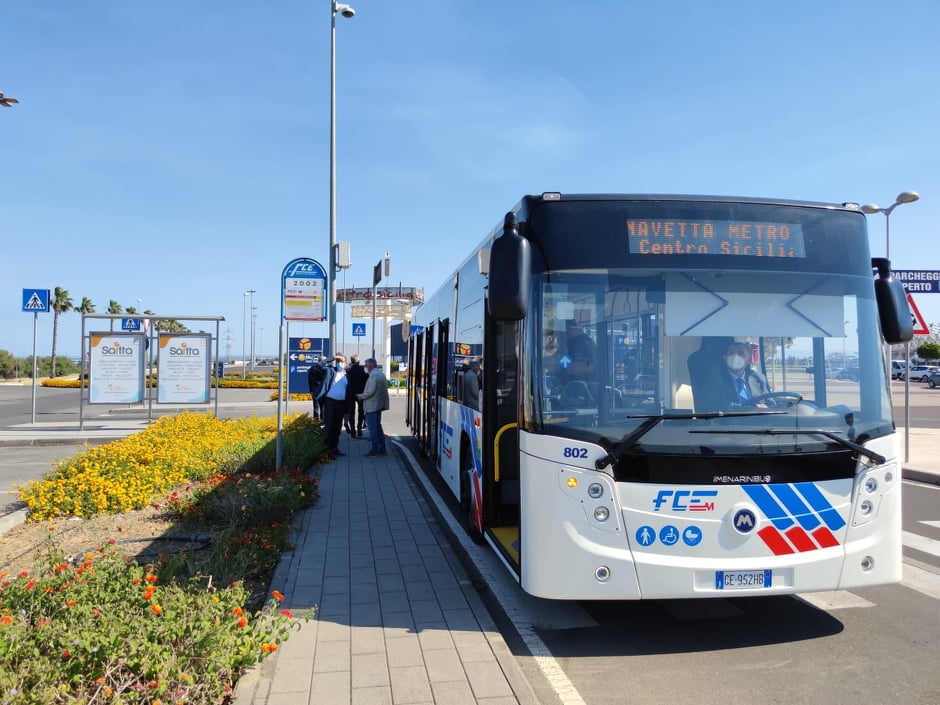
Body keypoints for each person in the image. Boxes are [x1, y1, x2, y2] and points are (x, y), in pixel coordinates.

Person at [710, 340, 770, 409]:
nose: (735, 357)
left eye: (740, 353)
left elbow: (771, 405)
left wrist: (763, 407)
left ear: (748, 359)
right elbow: (712, 407)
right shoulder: (714, 380)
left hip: (757, 418)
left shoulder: (758, 378)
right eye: (731, 353)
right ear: (725, 358)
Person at [317, 353, 348, 457]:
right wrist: (333, 358)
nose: (340, 363)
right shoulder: (330, 371)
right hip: (330, 402)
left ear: (346, 363)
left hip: (341, 403)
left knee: (337, 428)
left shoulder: (347, 374)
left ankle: (335, 449)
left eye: (342, 361)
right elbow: (320, 365)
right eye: (338, 361)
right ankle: (327, 451)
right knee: (329, 427)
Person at [357, 357, 390, 457]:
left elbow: (370, 392)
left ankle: (375, 450)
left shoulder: (373, 376)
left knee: (373, 429)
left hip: (372, 406)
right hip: (379, 405)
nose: (365, 367)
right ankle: (382, 449)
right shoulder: (381, 374)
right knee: (378, 428)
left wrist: (360, 396)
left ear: (370, 366)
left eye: (366, 365)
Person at [344, 354, 369, 437]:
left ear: (351, 361)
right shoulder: (363, 370)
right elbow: (367, 381)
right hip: (361, 393)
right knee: (361, 411)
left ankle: (353, 431)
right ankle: (359, 428)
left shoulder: (347, 370)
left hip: (350, 393)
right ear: (359, 361)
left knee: (351, 412)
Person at [307, 355, 330, 419]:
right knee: (323, 407)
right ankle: (323, 422)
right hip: (324, 391)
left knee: (316, 407)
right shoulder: (326, 369)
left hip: (315, 390)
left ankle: (316, 423)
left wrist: (311, 390)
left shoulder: (312, 368)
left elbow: (309, 380)